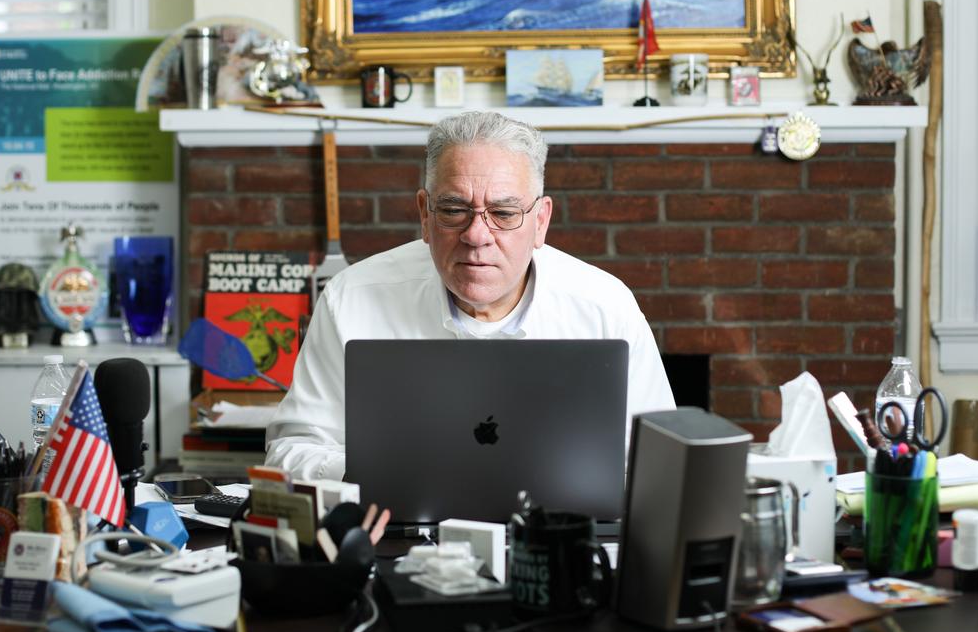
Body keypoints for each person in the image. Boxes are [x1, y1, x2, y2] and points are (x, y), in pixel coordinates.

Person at [265, 111, 676, 480]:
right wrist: (381, 473)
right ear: (425, 215)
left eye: (503, 213)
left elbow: (662, 462)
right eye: (453, 209)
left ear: (541, 221)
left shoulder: (606, 307)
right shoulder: (350, 298)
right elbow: (289, 452)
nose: (477, 236)